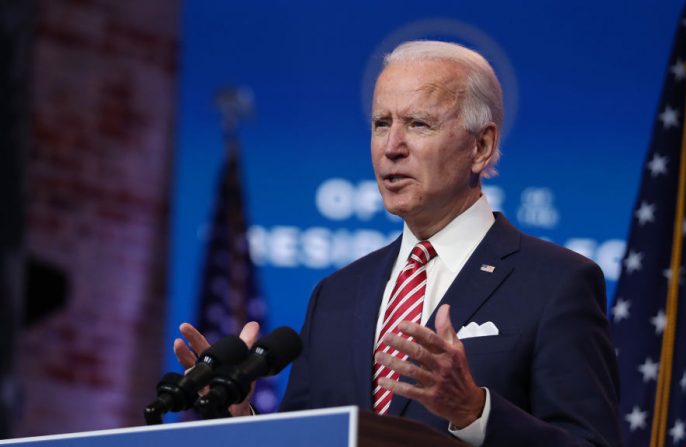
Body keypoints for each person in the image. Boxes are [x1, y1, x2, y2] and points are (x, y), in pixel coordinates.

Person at [175, 40, 621, 446]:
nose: (391, 146)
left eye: (418, 124)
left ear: (481, 147)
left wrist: (475, 412)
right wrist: (241, 415)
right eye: (381, 123)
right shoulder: (336, 294)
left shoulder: (557, 283)